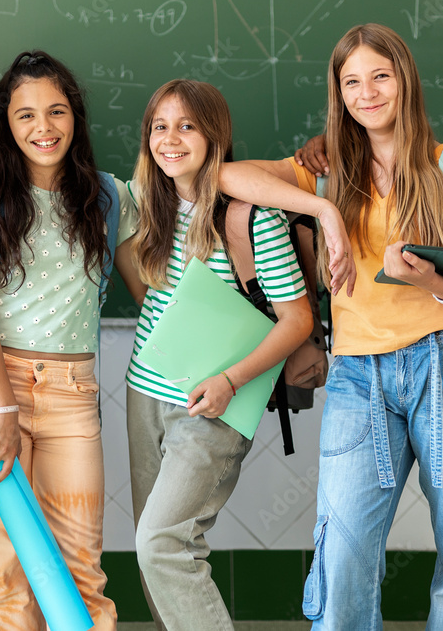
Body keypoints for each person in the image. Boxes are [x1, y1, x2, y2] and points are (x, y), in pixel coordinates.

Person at [272, 23, 443, 629]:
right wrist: (323, 208)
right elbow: (219, 176)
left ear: (404, 80)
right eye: (351, 81)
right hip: (359, 375)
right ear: (338, 94)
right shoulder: (326, 175)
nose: (367, 92)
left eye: (380, 75)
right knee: (344, 551)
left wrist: (431, 279)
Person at [0, 50, 142, 631]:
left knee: (81, 568)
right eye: (26, 115)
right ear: (7, 122)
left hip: (73, 395)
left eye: (56, 112)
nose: (43, 127)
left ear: (75, 118)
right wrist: (0, 406)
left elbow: (150, 290)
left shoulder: (108, 197)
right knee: (7, 570)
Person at [124, 78, 315, 631]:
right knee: (153, 551)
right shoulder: (147, 203)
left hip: (211, 404)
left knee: (163, 543)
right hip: (145, 392)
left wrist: (230, 380)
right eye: (160, 126)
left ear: (215, 135)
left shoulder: (249, 216)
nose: (170, 139)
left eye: (187, 126)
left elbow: (297, 319)